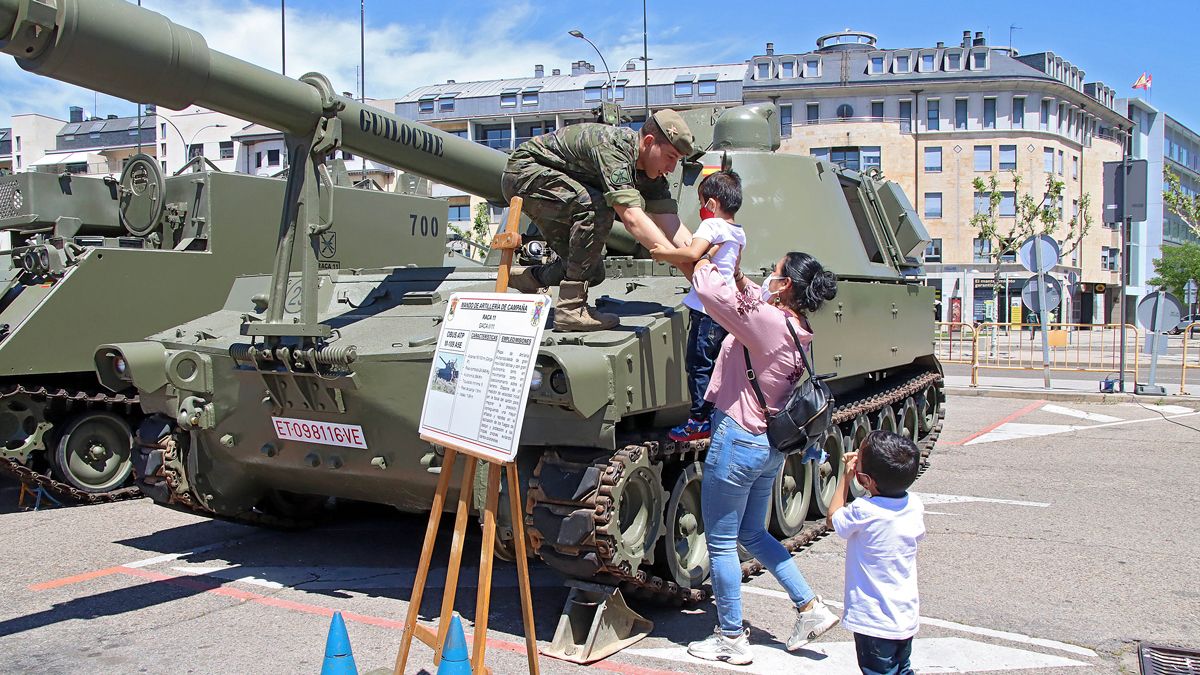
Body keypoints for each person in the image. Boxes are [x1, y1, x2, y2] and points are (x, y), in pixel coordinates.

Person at [684, 251, 840, 665]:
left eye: (775, 270)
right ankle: (809, 606)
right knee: (752, 534)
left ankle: (730, 638)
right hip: (768, 447)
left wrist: (703, 261)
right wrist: (740, 279)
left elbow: (712, 298)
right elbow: (754, 302)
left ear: (786, 284)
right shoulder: (796, 326)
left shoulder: (769, 323)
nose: (768, 274)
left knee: (719, 543)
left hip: (737, 440)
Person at [500, 110, 695, 332]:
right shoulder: (615, 148)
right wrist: (681, 263)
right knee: (597, 207)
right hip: (525, 172)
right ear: (649, 142)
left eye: (677, 161)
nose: (672, 168)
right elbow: (632, 217)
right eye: (670, 157)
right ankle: (570, 310)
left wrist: (700, 260)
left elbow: (670, 222)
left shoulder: (652, 173)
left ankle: (529, 278)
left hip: (552, 182)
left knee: (590, 269)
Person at [649, 170, 747, 442]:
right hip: (724, 309)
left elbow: (692, 253)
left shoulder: (711, 226)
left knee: (698, 365)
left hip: (705, 309)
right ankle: (718, 413)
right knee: (718, 365)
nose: (702, 208)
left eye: (703, 202)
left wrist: (663, 252)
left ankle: (699, 420)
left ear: (712, 204)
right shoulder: (738, 232)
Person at [827, 430, 926, 675]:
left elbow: (833, 519)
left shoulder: (863, 510)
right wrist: (861, 469)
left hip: (874, 620)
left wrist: (846, 478)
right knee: (902, 669)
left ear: (867, 480)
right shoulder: (914, 504)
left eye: (859, 456)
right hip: (904, 614)